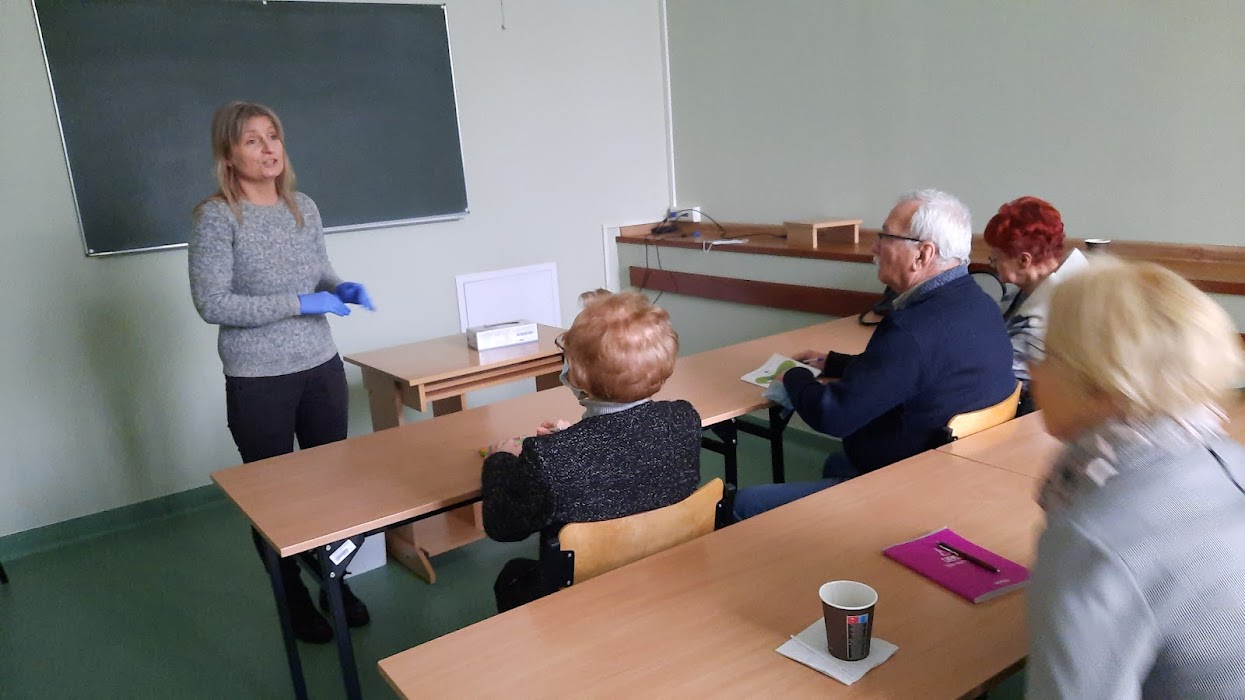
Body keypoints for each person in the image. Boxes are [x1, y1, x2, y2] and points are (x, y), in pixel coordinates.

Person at [188, 102, 375, 644]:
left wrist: (338, 287)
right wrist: (299, 303)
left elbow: (318, 270)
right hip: (258, 379)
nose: (269, 148)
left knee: (329, 486)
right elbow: (212, 303)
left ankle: (334, 582)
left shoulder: (302, 206)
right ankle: (291, 598)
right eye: (252, 140)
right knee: (273, 499)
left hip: (320, 367)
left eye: (274, 136)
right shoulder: (217, 217)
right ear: (228, 154)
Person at [1026, 257, 1245, 698]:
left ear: (1100, 383)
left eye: (1046, 354)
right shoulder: (1226, 454)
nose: (1033, 370)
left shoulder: (1091, 538)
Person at [734, 190, 1015, 520]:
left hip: (905, 489)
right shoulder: (980, 304)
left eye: (886, 237)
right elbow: (913, 373)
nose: (874, 248)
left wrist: (795, 376)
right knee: (836, 462)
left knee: (743, 505)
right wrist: (836, 363)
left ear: (923, 254)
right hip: (956, 473)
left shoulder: (911, 330)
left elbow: (834, 416)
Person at [481, 290, 702, 612]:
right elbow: (626, 455)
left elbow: (503, 527)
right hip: (666, 567)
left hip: (585, 589)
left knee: (512, 575)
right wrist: (572, 437)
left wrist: (499, 460)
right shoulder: (684, 418)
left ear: (577, 374)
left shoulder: (548, 457)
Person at [983, 196, 1089, 415]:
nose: (993, 266)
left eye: (996, 259)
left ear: (1024, 260)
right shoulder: (1082, 278)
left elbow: (998, 382)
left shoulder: (1038, 323)